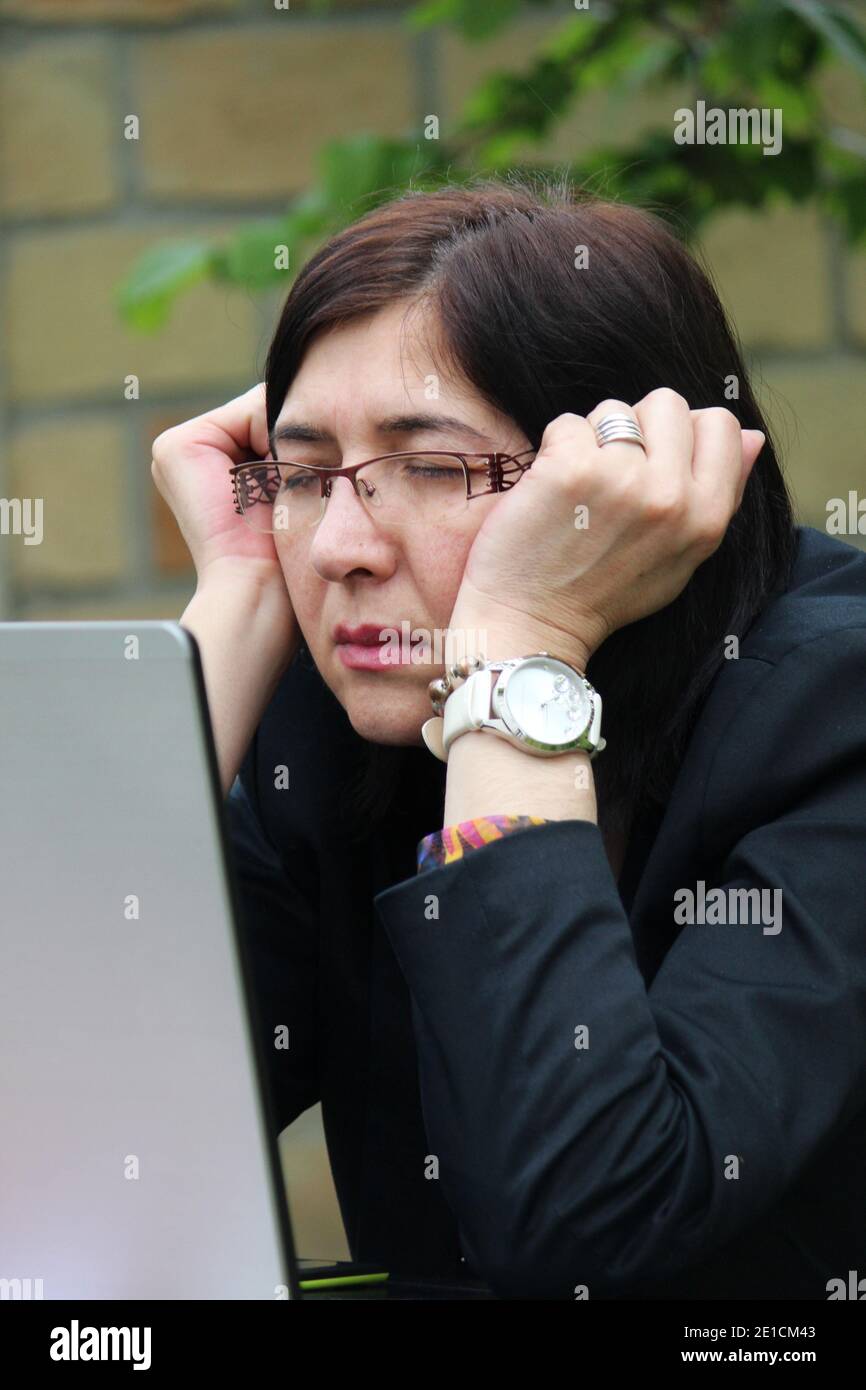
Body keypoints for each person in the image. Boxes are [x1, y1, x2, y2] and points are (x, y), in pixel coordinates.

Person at [151, 176, 866, 1300]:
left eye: (428, 468)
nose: (338, 544)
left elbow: (589, 1225)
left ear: (631, 490)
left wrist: (522, 654)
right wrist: (230, 617)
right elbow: (64, 1127)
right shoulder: (337, 720)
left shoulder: (833, 711)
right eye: (300, 476)